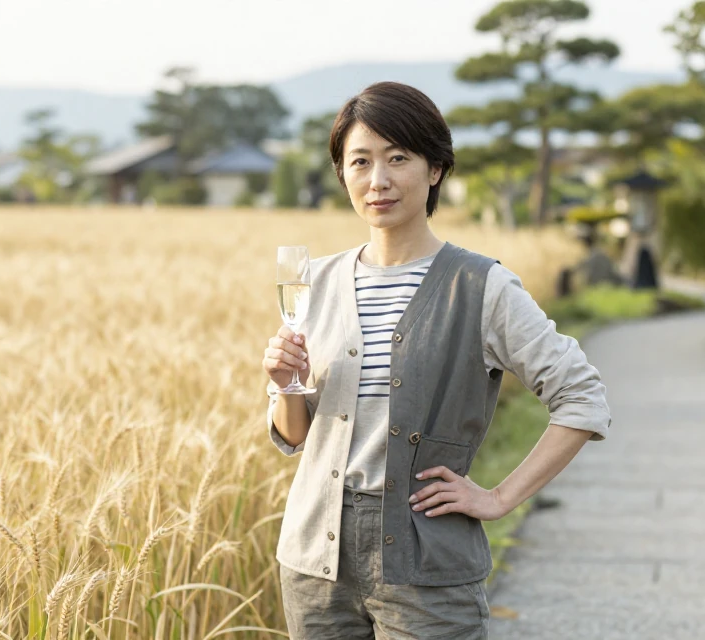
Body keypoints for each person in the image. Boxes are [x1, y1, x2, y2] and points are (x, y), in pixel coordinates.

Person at [260, 81, 611, 639]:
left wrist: (498, 498)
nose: (378, 180)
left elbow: (583, 399)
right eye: (360, 161)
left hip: (428, 570)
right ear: (342, 174)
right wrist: (286, 386)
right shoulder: (314, 281)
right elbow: (296, 436)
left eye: (398, 158)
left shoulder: (482, 286)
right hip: (313, 565)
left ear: (436, 169)